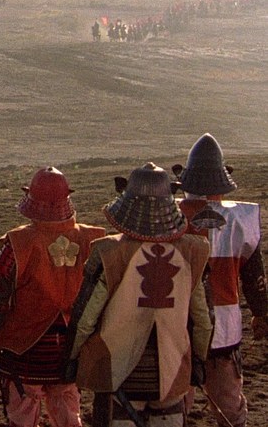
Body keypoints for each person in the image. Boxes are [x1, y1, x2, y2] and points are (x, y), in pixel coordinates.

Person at [64, 162, 213, 427]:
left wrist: (72, 357)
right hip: (173, 371)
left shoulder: (109, 252)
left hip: (118, 374)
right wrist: (199, 360)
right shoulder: (193, 251)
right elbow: (203, 320)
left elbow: (85, 317)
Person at [0, 167, 106, 427]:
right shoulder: (93, 240)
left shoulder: (17, 243)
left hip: (24, 348)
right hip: (72, 344)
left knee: (22, 414)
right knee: (68, 414)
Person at [175, 133, 268, 427]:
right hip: (224, 329)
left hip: (176, 325)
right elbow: (253, 276)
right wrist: (261, 313)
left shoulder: (167, 215)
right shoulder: (241, 220)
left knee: (174, 402)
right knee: (228, 405)